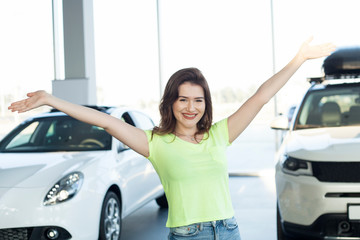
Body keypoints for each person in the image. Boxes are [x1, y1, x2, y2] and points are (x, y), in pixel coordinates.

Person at [8, 37, 335, 240]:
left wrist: (299, 58)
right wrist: (52, 100)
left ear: (206, 104)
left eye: (198, 100)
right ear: (170, 103)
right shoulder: (156, 143)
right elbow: (106, 121)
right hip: (188, 235)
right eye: (183, 99)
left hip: (229, 230)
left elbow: (261, 97)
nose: (191, 107)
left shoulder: (219, 135)